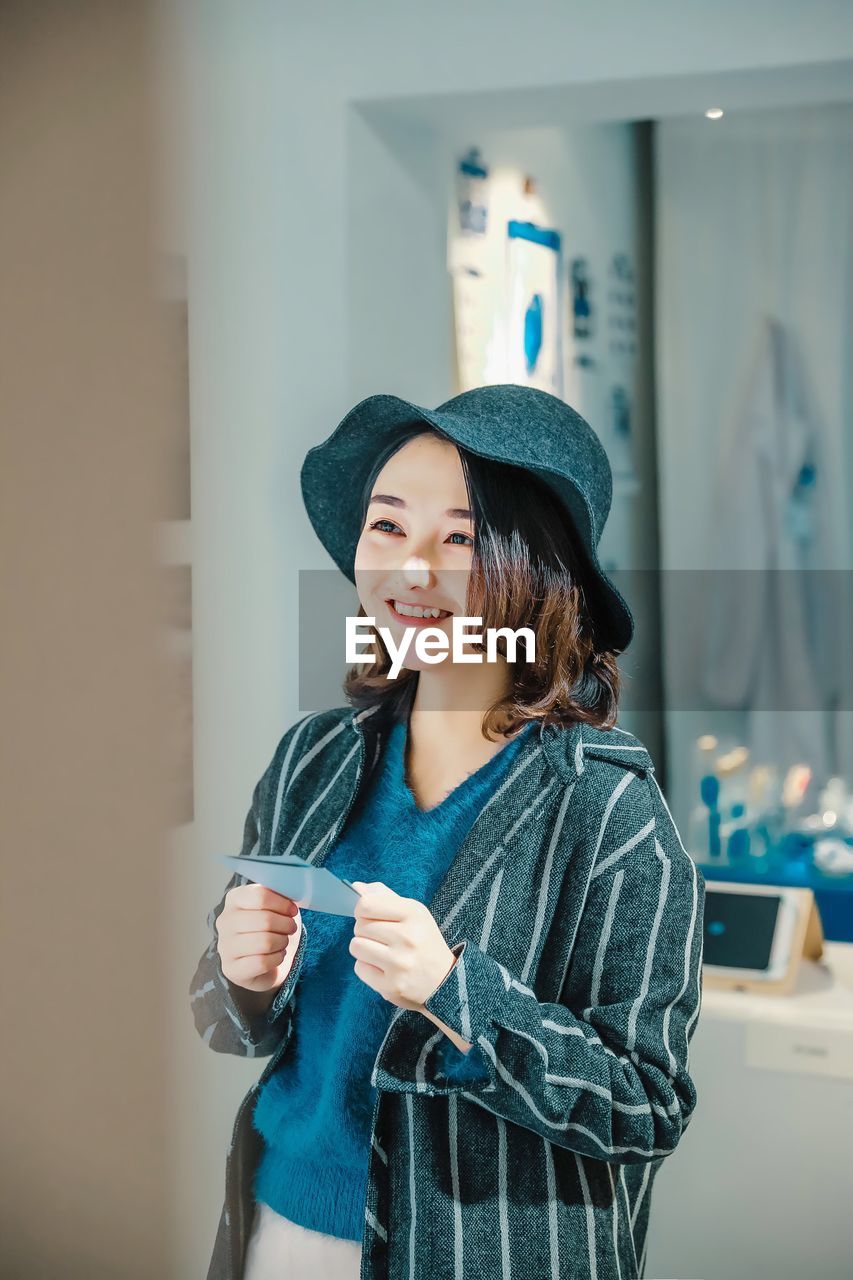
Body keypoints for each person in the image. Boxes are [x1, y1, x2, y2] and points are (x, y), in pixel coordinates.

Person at [189, 383, 705, 1280]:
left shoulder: (609, 812)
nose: (409, 569)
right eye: (386, 526)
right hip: (275, 1231)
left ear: (540, 568)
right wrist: (242, 979)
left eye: (458, 538)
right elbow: (228, 1023)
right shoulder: (313, 757)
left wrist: (455, 993)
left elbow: (645, 1109)